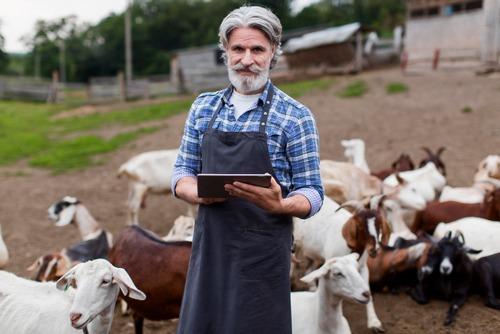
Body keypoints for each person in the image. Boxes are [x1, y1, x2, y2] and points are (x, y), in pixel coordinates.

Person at [172, 5, 323, 334]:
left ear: (273, 54)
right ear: (225, 53)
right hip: (211, 248)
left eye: (258, 49)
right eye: (238, 48)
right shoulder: (203, 107)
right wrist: (196, 191)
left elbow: (313, 191)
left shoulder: (296, 117)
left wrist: (282, 204)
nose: (247, 59)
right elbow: (182, 172)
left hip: (263, 256)